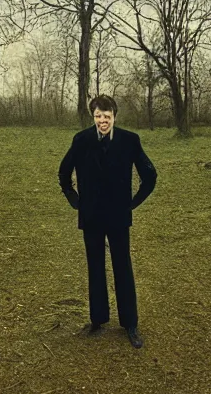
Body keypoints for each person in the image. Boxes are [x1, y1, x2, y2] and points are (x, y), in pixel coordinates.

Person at [58, 94, 155, 347]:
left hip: (118, 217)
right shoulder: (81, 141)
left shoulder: (129, 141)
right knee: (95, 266)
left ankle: (130, 323)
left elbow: (150, 176)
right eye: (98, 116)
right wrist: (75, 200)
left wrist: (132, 204)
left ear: (115, 116)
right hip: (91, 217)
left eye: (107, 116)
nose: (103, 121)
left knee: (123, 267)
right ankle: (97, 319)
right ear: (93, 116)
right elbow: (63, 173)